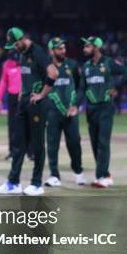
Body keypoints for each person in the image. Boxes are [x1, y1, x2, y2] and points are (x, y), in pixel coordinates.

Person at [0, 27, 58, 196]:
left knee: (37, 144)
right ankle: (13, 182)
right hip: (24, 102)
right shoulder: (22, 54)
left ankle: (36, 184)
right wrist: (23, 90)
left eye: (15, 44)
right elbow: (26, 76)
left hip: (38, 104)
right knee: (18, 143)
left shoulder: (38, 52)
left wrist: (42, 94)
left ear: (22, 40)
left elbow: (53, 72)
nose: (14, 48)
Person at [80, 36, 127, 188]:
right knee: (95, 143)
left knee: (103, 142)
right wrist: (76, 104)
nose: (84, 49)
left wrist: (117, 87)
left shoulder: (108, 62)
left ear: (96, 47)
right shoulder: (86, 66)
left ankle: (101, 176)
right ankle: (106, 174)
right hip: (91, 109)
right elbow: (83, 88)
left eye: (87, 47)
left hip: (105, 107)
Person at [44, 37, 85, 187]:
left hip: (71, 112)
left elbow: (81, 87)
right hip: (52, 113)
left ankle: (78, 171)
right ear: (52, 50)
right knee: (52, 144)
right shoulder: (46, 67)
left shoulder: (72, 65)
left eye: (64, 48)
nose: (63, 50)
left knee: (74, 143)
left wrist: (76, 105)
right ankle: (54, 175)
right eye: (59, 48)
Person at [0, 51, 22, 160]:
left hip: (24, 96)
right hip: (12, 97)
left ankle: (30, 152)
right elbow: (3, 82)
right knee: (12, 125)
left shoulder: (26, 62)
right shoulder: (7, 64)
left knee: (27, 124)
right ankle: (12, 151)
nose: (14, 62)